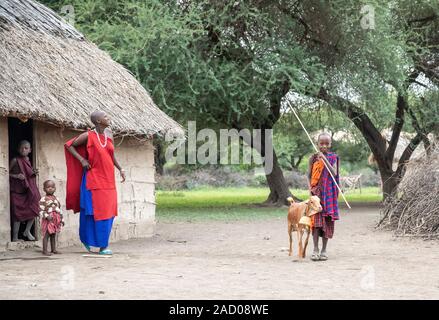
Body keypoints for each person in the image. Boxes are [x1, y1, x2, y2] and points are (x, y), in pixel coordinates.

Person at [65, 111, 126, 255]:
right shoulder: (88, 135)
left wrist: (120, 168)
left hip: (108, 180)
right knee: (94, 212)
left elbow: (111, 155)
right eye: (105, 116)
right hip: (93, 179)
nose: (108, 117)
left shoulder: (109, 134)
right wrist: (82, 160)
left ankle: (101, 243)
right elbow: (69, 145)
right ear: (98, 121)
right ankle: (100, 245)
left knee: (109, 212)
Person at [307, 132, 340, 261]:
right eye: (322, 143)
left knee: (327, 221)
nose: (324, 146)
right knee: (315, 222)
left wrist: (324, 159)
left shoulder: (333, 157)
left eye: (327, 144)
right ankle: (315, 249)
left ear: (330, 144)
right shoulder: (313, 158)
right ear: (317, 144)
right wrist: (310, 188)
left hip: (329, 195)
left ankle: (324, 250)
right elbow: (308, 175)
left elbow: (334, 172)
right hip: (317, 194)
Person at [9, 140, 40, 242]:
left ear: (30, 150)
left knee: (35, 208)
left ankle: (27, 231)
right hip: (17, 191)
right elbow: (5, 173)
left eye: (26, 148)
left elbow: (28, 174)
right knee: (17, 214)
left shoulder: (28, 160)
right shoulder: (15, 160)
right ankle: (14, 238)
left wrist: (33, 172)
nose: (23, 150)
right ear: (18, 149)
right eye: (21, 148)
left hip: (27, 190)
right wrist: (16, 176)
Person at [39, 180, 64, 256]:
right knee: (46, 234)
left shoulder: (57, 199)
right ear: (44, 189)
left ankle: (53, 249)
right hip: (48, 219)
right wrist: (46, 216)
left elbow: (59, 209)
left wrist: (62, 219)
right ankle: (45, 250)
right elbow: (40, 210)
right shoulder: (43, 199)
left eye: (52, 187)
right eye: (48, 187)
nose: (50, 188)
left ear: (55, 189)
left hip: (55, 219)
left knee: (53, 234)